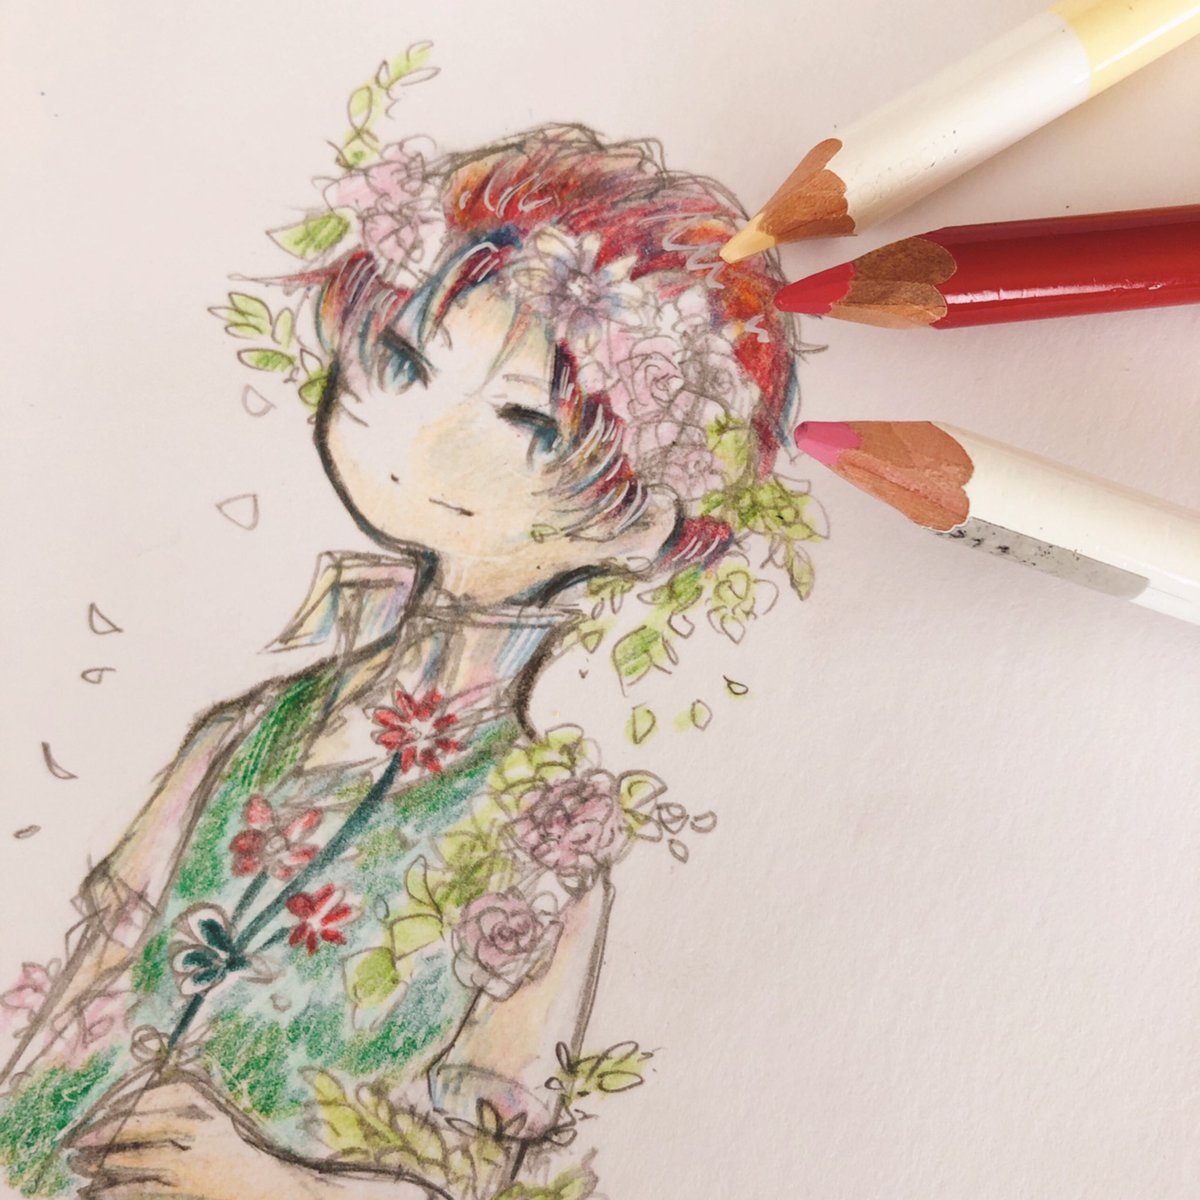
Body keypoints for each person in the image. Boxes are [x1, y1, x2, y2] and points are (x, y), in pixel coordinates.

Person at [0, 124, 812, 1200]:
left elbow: (484, 1165)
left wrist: (278, 1186)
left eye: (520, 418)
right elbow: (83, 996)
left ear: (640, 522)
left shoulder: (544, 840)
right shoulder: (240, 734)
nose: (418, 435)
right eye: (403, 363)